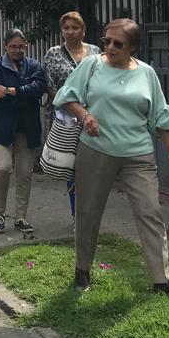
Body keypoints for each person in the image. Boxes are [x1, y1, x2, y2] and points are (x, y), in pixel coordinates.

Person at [54, 19, 169, 297]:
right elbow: (66, 96)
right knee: (88, 212)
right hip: (96, 150)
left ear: (133, 48)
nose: (110, 47)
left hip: (138, 153)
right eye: (106, 41)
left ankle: (162, 281)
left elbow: (161, 115)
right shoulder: (92, 65)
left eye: (118, 43)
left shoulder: (146, 74)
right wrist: (86, 115)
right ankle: (83, 270)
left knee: (150, 212)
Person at [0, 29, 48, 234]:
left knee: (24, 172)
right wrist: (24, 93)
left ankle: (20, 217)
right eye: (13, 46)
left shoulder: (34, 65)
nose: (17, 50)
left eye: (21, 46)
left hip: (27, 127)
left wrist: (11, 91)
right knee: (2, 168)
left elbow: (39, 89)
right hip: (1, 125)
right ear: (5, 46)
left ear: (26, 45)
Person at [42, 12, 101, 216]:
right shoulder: (53, 53)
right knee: (72, 168)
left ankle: (90, 212)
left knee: (90, 167)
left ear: (83, 31)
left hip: (92, 117)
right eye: (66, 28)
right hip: (66, 119)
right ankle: (78, 215)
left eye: (75, 28)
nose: (70, 31)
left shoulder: (95, 52)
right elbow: (50, 87)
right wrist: (71, 106)